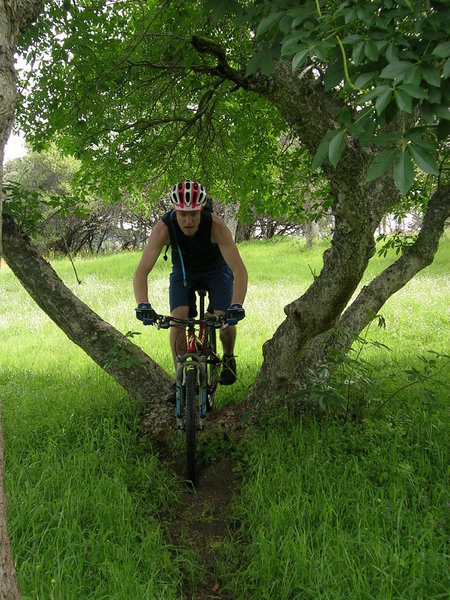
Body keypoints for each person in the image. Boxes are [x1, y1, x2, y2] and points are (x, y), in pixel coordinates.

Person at [133, 179, 248, 403]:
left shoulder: (216, 226)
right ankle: (181, 382)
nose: (188, 220)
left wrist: (237, 305)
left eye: (193, 214)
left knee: (223, 321)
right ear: (175, 211)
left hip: (216, 270)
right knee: (178, 320)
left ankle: (228, 356)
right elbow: (141, 272)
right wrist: (143, 304)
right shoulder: (164, 228)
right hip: (184, 272)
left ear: (201, 210)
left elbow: (239, 269)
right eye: (182, 214)